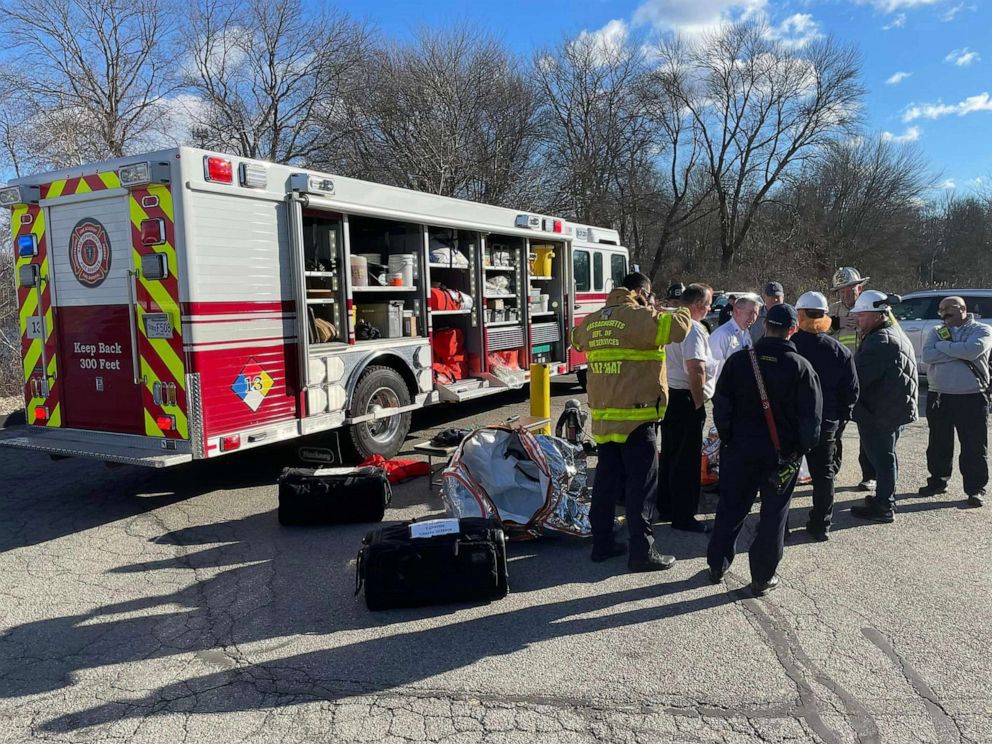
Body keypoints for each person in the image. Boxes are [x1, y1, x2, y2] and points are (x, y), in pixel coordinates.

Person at [571, 272, 692, 571]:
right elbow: (678, 329)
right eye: (649, 295)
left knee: (606, 484)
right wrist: (684, 307)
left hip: (604, 419)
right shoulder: (638, 316)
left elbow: (576, 340)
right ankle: (642, 552)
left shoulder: (594, 319)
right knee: (641, 488)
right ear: (640, 291)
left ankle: (602, 544)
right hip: (637, 419)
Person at [707, 304, 822, 596]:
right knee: (773, 516)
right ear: (793, 329)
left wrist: (729, 438)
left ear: (765, 326)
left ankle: (717, 565)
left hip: (740, 451)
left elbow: (721, 405)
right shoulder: (801, 368)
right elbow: (812, 420)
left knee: (731, 508)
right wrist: (798, 451)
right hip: (780, 456)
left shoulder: (739, 362)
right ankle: (762, 576)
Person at [791, 291, 859, 540]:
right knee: (824, 474)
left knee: (786, 473)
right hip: (826, 423)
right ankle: (821, 525)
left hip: (792, 423)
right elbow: (851, 391)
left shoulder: (789, 347)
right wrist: (840, 420)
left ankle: (780, 526)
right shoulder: (839, 350)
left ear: (799, 315)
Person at [848, 290, 919, 523]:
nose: (857, 319)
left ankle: (885, 506)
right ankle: (884, 497)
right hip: (892, 408)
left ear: (877, 315)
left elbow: (857, 379)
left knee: (883, 458)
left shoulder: (880, 341)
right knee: (886, 456)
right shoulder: (890, 332)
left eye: (861, 315)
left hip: (881, 412)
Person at [919, 296, 992, 507]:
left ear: (962, 308)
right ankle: (938, 481)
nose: (942, 314)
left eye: (947, 309)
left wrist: (944, 347)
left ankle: (975, 489)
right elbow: (927, 356)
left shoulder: (982, 330)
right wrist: (956, 349)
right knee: (938, 443)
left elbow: (973, 350)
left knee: (974, 446)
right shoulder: (936, 331)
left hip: (972, 396)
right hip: (939, 395)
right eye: (940, 310)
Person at [658, 283, 716, 533]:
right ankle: (683, 516)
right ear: (696, 305)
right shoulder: (692, 329)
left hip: (667, 395)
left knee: (669, 454)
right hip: (685, 398)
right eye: (707, 304)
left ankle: (666, 505)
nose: (710, 309)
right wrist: (698, 402)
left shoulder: (667, 320)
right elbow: (696, 368)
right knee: (687, 461)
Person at [829, 266, 876, 491]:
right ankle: (830, 469)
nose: (847, 295)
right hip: (840, 380)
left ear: (860, 287)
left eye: (851, 290)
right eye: (842, 292)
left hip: (866, 377)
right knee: (835, 429)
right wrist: (836, 324)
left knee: (867, 430)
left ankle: (869, 476)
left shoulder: (872, 307)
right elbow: (813, 330)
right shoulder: (832, 311)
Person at [709, 294, 759, 381]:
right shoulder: (722, 335)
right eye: (750, 312)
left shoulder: (746, 335)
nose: (753, 318)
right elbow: (711, 371)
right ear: (736, 311)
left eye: (756, 313)